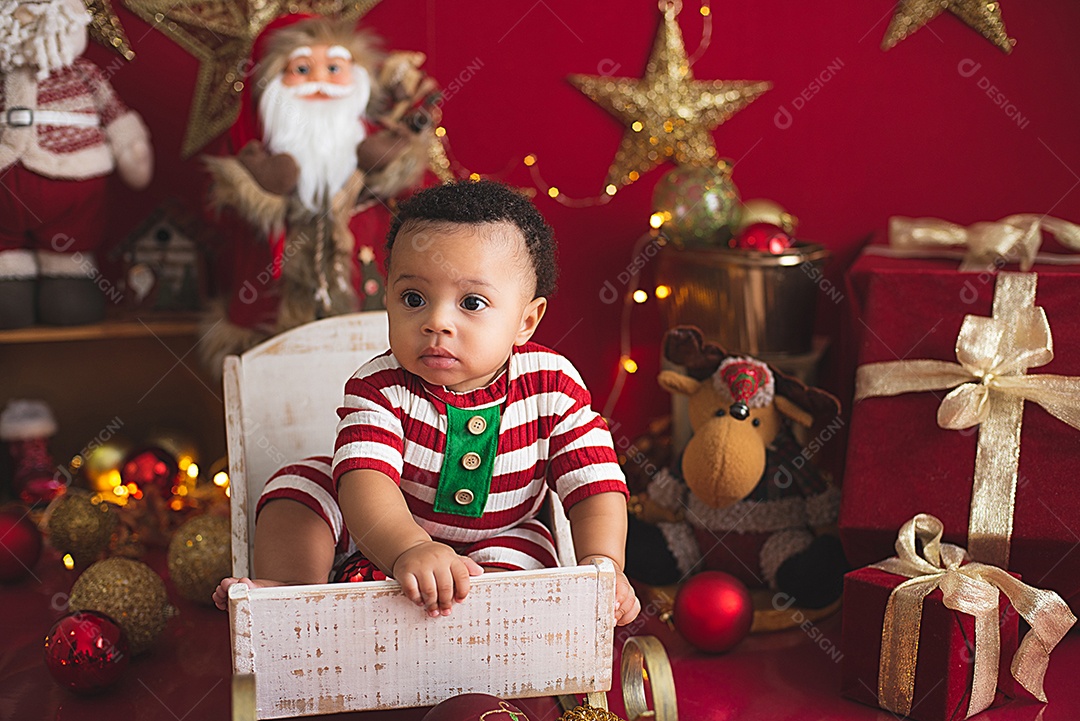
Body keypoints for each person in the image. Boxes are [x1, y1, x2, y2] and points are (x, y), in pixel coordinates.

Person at [214, 180, 640, 626]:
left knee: (526, 568)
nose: (436, 322)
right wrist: (409, 547)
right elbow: (367, 482)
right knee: (301, 485)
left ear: (525, 321)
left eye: (472, 303)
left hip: (503, 533)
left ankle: (479, 633)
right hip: (384, 533)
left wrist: (604, 562)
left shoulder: (551, 384)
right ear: (388, 303)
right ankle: (294, 594)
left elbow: (594, 482)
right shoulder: (380, 386)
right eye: (413, 299)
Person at [200, 14, 433, 379]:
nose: (320, 81)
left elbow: (409, 187)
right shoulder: (251, 152)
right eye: (303, 69)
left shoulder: (372, 149)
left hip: (367, 297)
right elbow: (225, 216)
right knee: (279, 388)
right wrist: (260, 188)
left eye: (334, 67)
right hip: (270, 312)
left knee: (375, 375)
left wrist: (399, 149)